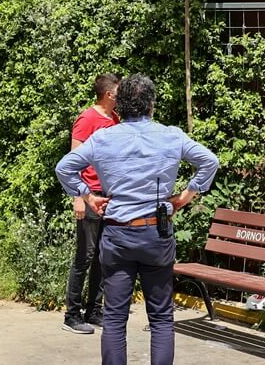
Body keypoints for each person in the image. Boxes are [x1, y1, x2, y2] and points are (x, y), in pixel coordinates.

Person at [55, 74, 219, 365]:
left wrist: (87, 195)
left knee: (115, 319)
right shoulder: (171, 135)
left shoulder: (103, 138)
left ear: (121, 103)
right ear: (151, 105)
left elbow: (64, 167)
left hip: (117, 236)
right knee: (161, 318)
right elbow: (210, 161)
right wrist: (186, 195)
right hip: (156, 235)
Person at [63, 73, 121, 335]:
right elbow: (73, 160)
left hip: (110, 197)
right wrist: (77, 196)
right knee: (84, 257)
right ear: (109, 94)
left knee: (102, 256)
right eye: (119, 91)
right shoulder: (87, 119)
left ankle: (94, 310)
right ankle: (71, 315)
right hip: (89, 196)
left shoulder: (115, 120)